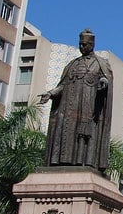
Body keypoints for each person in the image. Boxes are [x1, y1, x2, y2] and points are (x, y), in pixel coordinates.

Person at [40, 29, 114, 172]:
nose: (82, 47)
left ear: (92, 45)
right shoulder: (72, 64)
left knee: (85, 136)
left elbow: (106, 79)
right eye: (80, 44)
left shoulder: (100, 63)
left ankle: (85, 163)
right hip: (68, 108)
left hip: (89, 108)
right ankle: (61, 162)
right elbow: (63, 85)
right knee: (66, 134)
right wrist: (51, 93)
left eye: (85, 44)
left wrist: (104, 82)